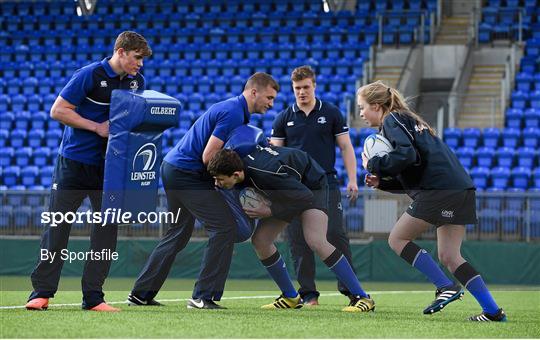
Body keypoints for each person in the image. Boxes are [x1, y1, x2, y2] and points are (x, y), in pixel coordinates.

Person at [126, 72, 279, 309]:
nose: (271, 103)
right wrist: (236, 183)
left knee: (178, 233)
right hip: (187, 174)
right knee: (223, 228)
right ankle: (202, 297)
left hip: (174, 169)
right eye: (269, 97)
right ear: (253, 92)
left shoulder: (234, 110)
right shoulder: (233, 113)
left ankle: (140, 294)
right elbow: (209, 157)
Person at [25, 31, 152, 312]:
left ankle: (93, 297)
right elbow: (58, 111)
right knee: (57, 226)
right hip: (73, 162)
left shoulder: (137, 82)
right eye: (137, 58)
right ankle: (41, 293)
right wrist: (96, 127)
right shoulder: (89, 75)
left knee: (106, 231)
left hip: (110, 168)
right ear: (121, 51)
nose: (141, 65)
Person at [359, 81, 506, 322]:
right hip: (460, 188)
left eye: (362, 107)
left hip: (440, 190)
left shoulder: (392, 120)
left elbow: (405, 155)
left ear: (376, 106)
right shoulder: (408, 119)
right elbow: (414, 166)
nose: (361, 114)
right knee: (450, 256)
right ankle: (493, 311)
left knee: (397, 238)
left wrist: (373, 164)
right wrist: (383, 182)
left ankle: (444, 286)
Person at [208, 147, 375, 312]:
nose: (217, 183)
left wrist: (271, 210)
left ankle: (363, 297)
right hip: (288, 189)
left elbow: (304, 197)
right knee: (261, 240)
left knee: (315, 240)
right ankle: (290, 297)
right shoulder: (243, 169)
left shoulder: (266, 173)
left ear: (236, 175)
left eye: (219, 179)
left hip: (311, 185)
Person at [270, 65, 359, 305]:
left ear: (314, 86)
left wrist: (352, 179)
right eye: (297, 88)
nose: (301, 92)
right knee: (298, 239)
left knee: (335, 235)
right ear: (292, 88)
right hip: (295, 187)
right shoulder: (283, 118)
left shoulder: (331, 113)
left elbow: (346, 147)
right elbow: (275, 154)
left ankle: (353, 293)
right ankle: (308, 294)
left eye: (306, 87)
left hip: (326, 183)